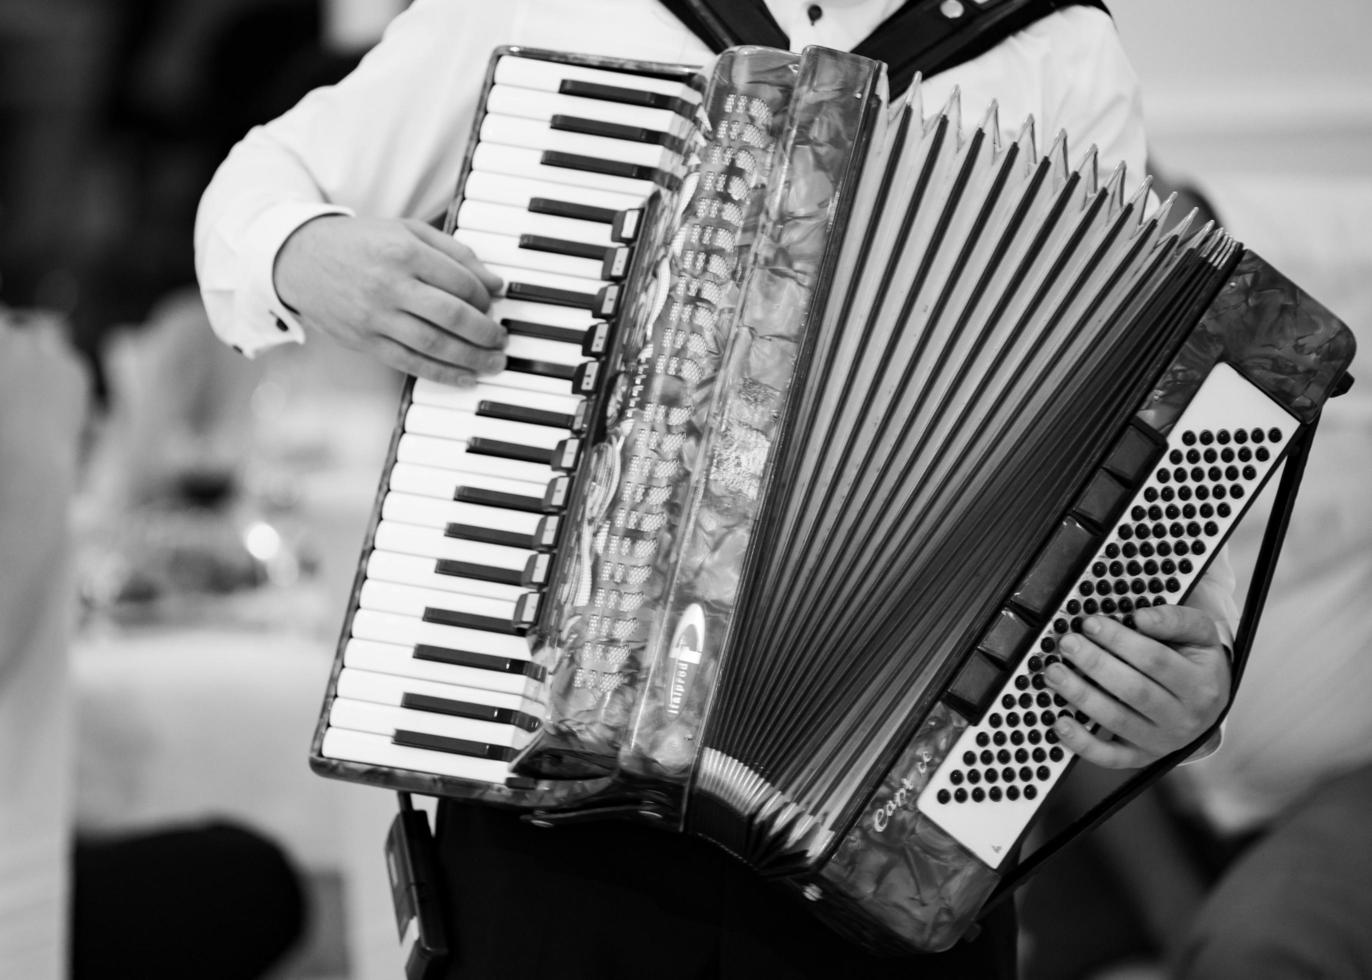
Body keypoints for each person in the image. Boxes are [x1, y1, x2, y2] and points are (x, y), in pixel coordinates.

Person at [194, 2, 1238, 976]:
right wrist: (301, 252)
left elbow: (1108, 439)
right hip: (549, 815)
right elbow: (254, 188)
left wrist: (1174, 667)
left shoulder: (1052, 45)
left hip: (886, 857)